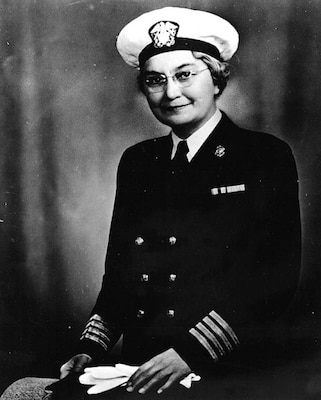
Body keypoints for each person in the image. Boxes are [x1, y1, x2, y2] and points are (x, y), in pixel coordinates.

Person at [0, 6, 301, 400]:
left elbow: (274, 279)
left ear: (217, 79)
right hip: (141, 365)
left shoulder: (264, 156)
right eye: (155, 80)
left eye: (185, 75)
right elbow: (120, 275)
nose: (171, 92)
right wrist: (90, 349)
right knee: (22, 394)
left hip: (226, 366)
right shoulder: (138, 161)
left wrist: (189, 354)